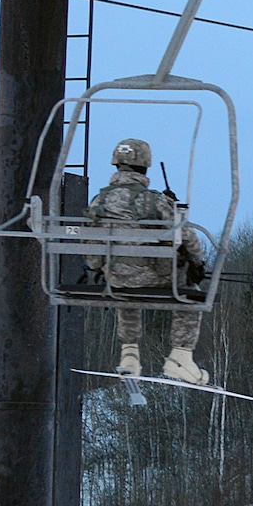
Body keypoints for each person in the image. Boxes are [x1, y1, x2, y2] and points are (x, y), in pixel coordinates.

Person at [85, 138, 210, 385]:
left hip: (117, 279)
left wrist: (99, 266)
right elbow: (188, 237)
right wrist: (197, 263)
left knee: (126, 289)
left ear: (116, 165)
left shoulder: (99, 201)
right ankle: (180, 357)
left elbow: (91, 251)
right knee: (191, 292)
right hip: (156, 278)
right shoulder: (155, 201)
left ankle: (129, 354)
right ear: (144, 167)